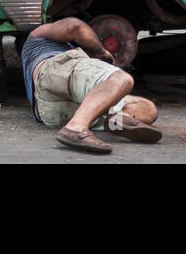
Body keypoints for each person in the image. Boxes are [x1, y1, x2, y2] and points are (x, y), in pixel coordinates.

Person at [20, 17, 162, 154]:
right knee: (122, 79)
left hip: (50, 114)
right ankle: (75, 128)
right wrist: (101, 52)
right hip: (54, 71)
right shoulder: (37, 36)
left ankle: (116, 120)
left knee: (147, 108)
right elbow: (74, 26)